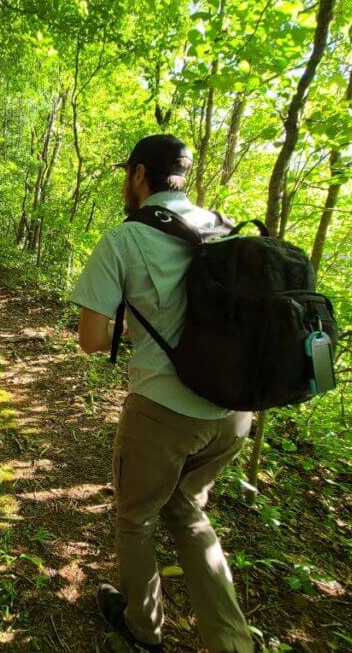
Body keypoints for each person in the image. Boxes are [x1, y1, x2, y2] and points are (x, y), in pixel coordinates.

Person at [70, 134, 254, 652]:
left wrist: (132, 329)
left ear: (139, 175)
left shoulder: (125, 240)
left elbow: (91, 341)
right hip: (236, 410)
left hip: (165, 412)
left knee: (137, 518)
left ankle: (143, 626)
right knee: (187, 511)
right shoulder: (223, 228)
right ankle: (232, 643)